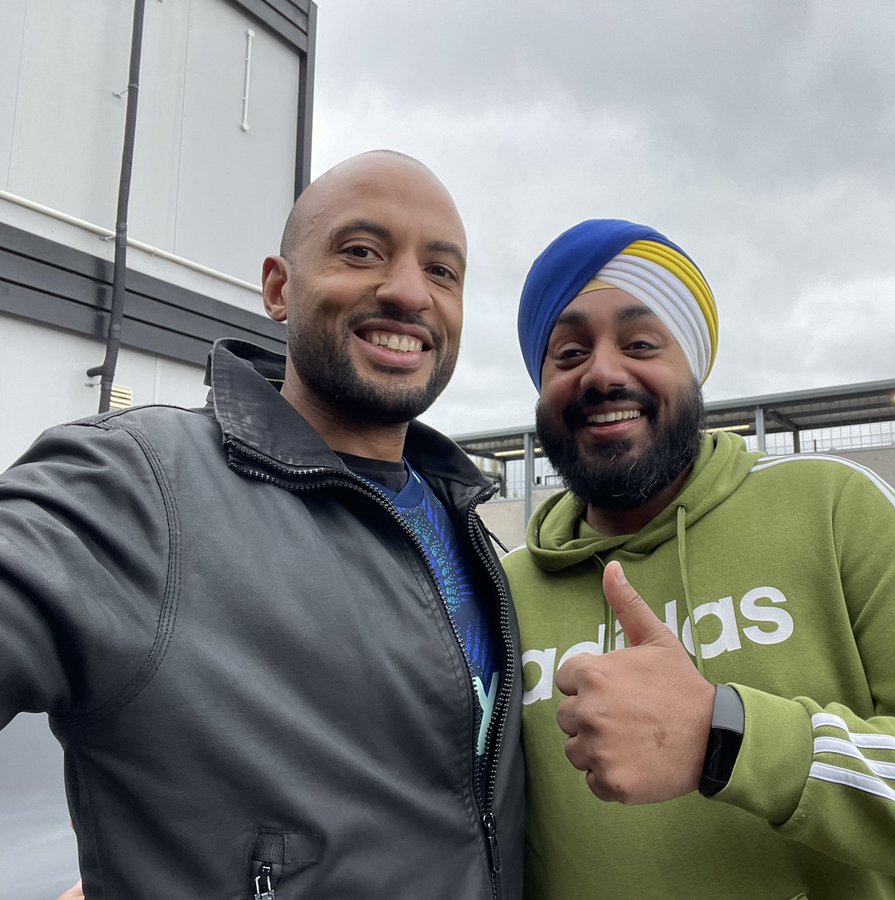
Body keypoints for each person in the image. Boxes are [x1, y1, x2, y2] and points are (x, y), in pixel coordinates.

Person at [504, 218, 895, 899]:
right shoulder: (504, 591)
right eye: (568, 353)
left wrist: (733, 739)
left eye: (640, 342)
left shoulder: (835, 508)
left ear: (692, 370)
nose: (603, 371)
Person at [2, 151, 523, 898]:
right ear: (280, 288)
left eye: (443, 272)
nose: (410, 291)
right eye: (361, 251)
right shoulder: (136, 487)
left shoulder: (468, 524)